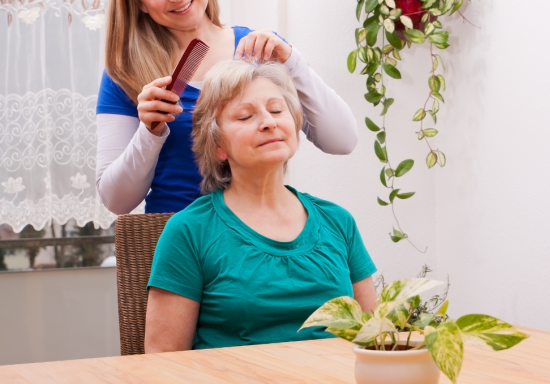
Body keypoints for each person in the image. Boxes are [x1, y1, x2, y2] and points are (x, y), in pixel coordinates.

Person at [96, 0, 357, 215]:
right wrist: (149, 132)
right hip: (175, 244)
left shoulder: (261, 51)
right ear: (139, 1)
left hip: (258, 236)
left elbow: (343, 141)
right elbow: (116, 201)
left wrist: (293, 63)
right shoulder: (124, 73)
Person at [145, 60, 377, 352]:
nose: (269, 122)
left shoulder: (338, 221)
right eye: (244, 116)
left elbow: (374, 342)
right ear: (218, 146)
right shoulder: (188, 231)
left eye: (277, 110)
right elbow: (162, 362)